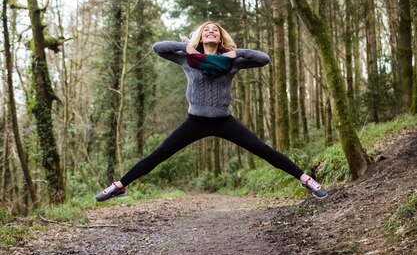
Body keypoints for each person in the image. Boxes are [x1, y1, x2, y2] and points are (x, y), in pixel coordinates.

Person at [95, 21, 328, 202]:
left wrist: (234, 52)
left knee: (262, 149)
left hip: (223, 120)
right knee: (160, 153)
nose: (210, 31)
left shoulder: (232, 61)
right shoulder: (188, 59)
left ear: (220, 36)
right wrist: (188, 47)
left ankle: (306, 179)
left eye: (215, 30)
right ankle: (120, 185)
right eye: (206, 30)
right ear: (200, 35)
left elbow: (263, 59)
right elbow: (158, 48)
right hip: (195, 121)